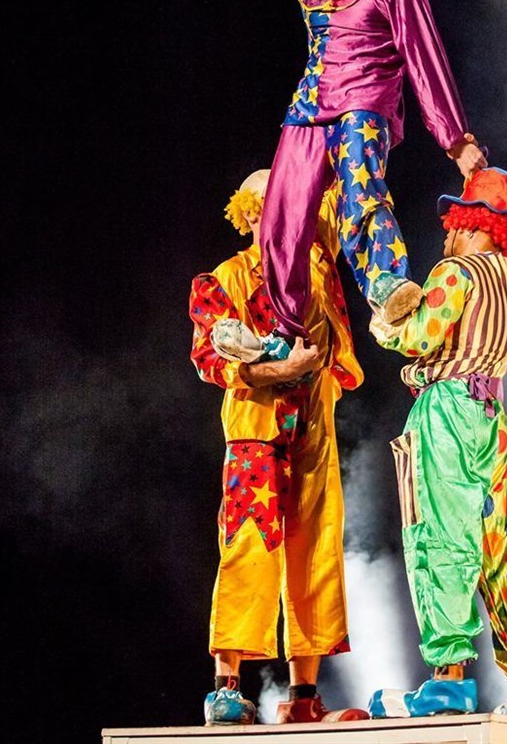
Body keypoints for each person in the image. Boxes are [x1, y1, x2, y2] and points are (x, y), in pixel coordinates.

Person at [260, 0, 488, 345]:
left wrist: (455, 139)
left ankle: (387, 280)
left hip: (363, 103)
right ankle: (285, 330)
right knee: (280, 217)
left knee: (360, 192)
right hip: (307, 108)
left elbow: (425, 58)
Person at [366, 167, 507, 719]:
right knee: (500, 542)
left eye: (453, 224)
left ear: (471, 224)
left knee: (441, 535)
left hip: (447, 408)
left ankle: (448, 679)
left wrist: (384, 318)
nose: (446, 234)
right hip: (492, 416)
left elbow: (418, 337)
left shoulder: (456, 271)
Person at [189, 169, 369, 726]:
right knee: (249, 546)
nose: (287, 214)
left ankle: (303, 696)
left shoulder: (317, 267)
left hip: (312, 427)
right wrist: (280, 371)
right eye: (272, 205)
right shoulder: (226, 277)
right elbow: (213, 361)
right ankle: (225, 688)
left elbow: (338, 191)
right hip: (256, 431)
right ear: (248, 214)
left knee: (315, 550)